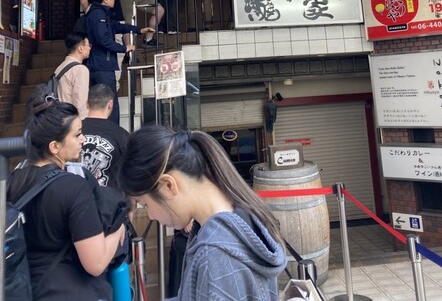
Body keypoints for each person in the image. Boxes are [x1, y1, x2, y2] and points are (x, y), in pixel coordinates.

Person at [119, 126, 287, 301]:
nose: (151, 216)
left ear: (168, 185)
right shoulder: (241, 216)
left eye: (145, 204)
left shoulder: (215, 255)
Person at [7, 97, 125, 301]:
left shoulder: (10, 182)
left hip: (23, 292)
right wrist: (117, 231)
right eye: (77, 134)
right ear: (54, 147)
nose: (83, 139)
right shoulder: (74, 187)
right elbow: (96, 263)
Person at [85, 0, 155, 124]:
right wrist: (124, 48)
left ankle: (106, 131)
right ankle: (112, 132)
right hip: (102, 65)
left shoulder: (100, 13)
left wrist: (139, 29)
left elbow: (116, 26)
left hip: (101, 64)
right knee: (109, 103)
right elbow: (103, 39)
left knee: (103, 102)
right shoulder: (98, 14)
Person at [82, 83, 130, 192]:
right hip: (110, 199)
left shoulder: (73, 131)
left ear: (87, 104)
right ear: (110, 104)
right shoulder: (121, 135)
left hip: (77, 197)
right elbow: (130, 172)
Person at [54, 31, 91, 120]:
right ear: (80, 48)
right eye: (88, 45)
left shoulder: (61, 67)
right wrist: (83, 122)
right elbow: (80, 102)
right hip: (71, 120)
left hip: (60, 117)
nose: (90, 48)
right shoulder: (80, 70)